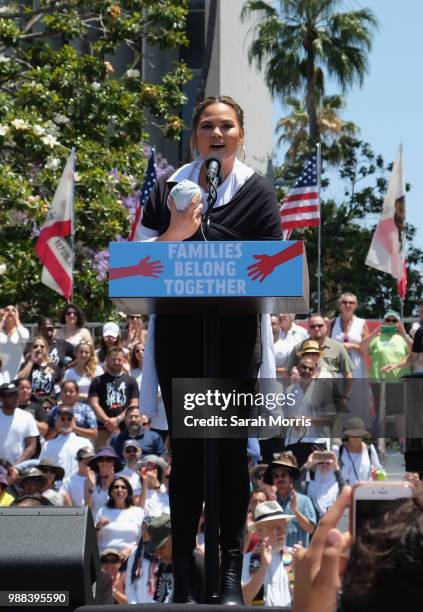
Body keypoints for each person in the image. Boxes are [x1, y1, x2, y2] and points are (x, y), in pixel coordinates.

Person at [137, 95, 283, 604]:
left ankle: (226, 574)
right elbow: (137, 263)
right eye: (206, 127)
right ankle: (182, 572)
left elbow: (272, 263)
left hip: (235, 342)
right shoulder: (168, 188)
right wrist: (178, 231)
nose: (216, 135)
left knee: (226, 456)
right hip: (182, 342)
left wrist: (213, 241)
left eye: (226, 126)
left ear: (240, 135)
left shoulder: (258, 192)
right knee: (190, 460)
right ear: (194, 136)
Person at [284, 356, 334, 468]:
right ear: (297, 368)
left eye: (310, 369)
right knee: (295, 480)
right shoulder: (288, 391)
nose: (307, 371)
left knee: (317, 480)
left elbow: (330, 420)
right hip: (293, 443)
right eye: (304, 367)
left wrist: (306, 420)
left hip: (317, 443)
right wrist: (291, 421)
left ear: (315, 371)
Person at [242, 500, 294, 607]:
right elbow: (243, 599)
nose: (283, 532)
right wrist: (263, 566)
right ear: (260, 531)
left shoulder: (294, 558)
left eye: (285, 526)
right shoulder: (245, 559)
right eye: (277, 528)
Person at [88, 347, 139, 448]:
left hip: (126, 428)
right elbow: (94, 404)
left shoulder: (131, 380)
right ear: (107, 359)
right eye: (113, 359)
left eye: (119, 360)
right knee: (102, 459)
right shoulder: (97, 381)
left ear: (124, 360)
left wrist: (118, 419)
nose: (116, 362)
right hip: (103, 428)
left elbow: (134, 404)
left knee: (125, 455)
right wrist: (108, 421)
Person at [263, 453, 316, 548]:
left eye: (283, 475)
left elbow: (310, 529)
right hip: (275, 557)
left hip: (297, 556)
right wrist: (271, 507)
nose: (280, 478)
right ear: (273, 481)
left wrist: (295, 511)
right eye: (276, 476)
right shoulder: (268, 502)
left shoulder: (305, 500)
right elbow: (263, 531)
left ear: (290, 478)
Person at [94, 476, 144, 557]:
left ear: (128, 492)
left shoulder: (138, 512)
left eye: (123, 487)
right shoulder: (102, 511)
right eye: (116, 487)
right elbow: (93, 541)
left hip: (130, 558)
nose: (119, 489)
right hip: (106, 560)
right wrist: (98, 527)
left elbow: (142, 539)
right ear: (111, 492)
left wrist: (131, 551)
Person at [39, 405, 93, 477]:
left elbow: (91, 468)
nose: (66, 422)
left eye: (69, 419)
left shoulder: (85, 443)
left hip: (80, 485)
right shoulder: (48, 445)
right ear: (57, 421)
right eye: (62, 419)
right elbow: (43, 468)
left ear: (74, 421)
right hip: (57, 486)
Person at [0, 381, 39, 466]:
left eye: (16, 395)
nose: (15, 398)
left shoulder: (27, 417)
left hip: (17, 471)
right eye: (11, 396)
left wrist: (16, 466)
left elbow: (32, 446)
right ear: (1, 399)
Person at [334, 416, 382, 485]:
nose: (355, 437)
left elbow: (380, 471)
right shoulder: (338, 450)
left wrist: (378, 475)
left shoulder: (370, 450)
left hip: (365, 493)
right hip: (345, 492)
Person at [301, 451, 344, 522]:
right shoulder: (308, 486)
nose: (324, 465)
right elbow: (294, 485)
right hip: (314, 531)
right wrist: (307, 465)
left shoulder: (338, 488)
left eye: (328, 463)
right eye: (321, 462)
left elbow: (346, 490)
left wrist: (336, 467)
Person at [17, 336, 62, 403]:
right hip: (32, 404)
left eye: (42, 346)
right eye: (35, 346)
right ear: (31, 349)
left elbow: (63, 385)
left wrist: (60, 400)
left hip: (49, 405)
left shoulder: (53, 367)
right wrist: (31, 361)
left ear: (46, 350)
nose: (39, 348)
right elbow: (21, 379)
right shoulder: (26, 365)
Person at [85, 447, 123, 518]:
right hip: (95, 525)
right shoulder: (88, 481)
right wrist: (92, 487)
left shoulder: (121, 482)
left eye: (108, 460)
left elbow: (118, 506)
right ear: (97, 463)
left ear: (113, 463)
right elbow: (87, 509)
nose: (104, 463)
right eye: (101, 460)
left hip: (113, 523)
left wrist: (110, 484)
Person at [125, 518, 156, 604]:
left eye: (147, 529)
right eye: (143, 529)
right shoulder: (135, 555)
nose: (144, 532)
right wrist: (135, 607)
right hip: (140, 607)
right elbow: (130, 587)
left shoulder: (163, 555)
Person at [0, 305, 29, 380]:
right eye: (7, 310)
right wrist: (3, 319)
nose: (10, 311)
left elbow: (24, 337)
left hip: (18, 372)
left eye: (13, 310)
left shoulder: (20, 331)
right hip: (2, 373)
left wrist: (17, 319)